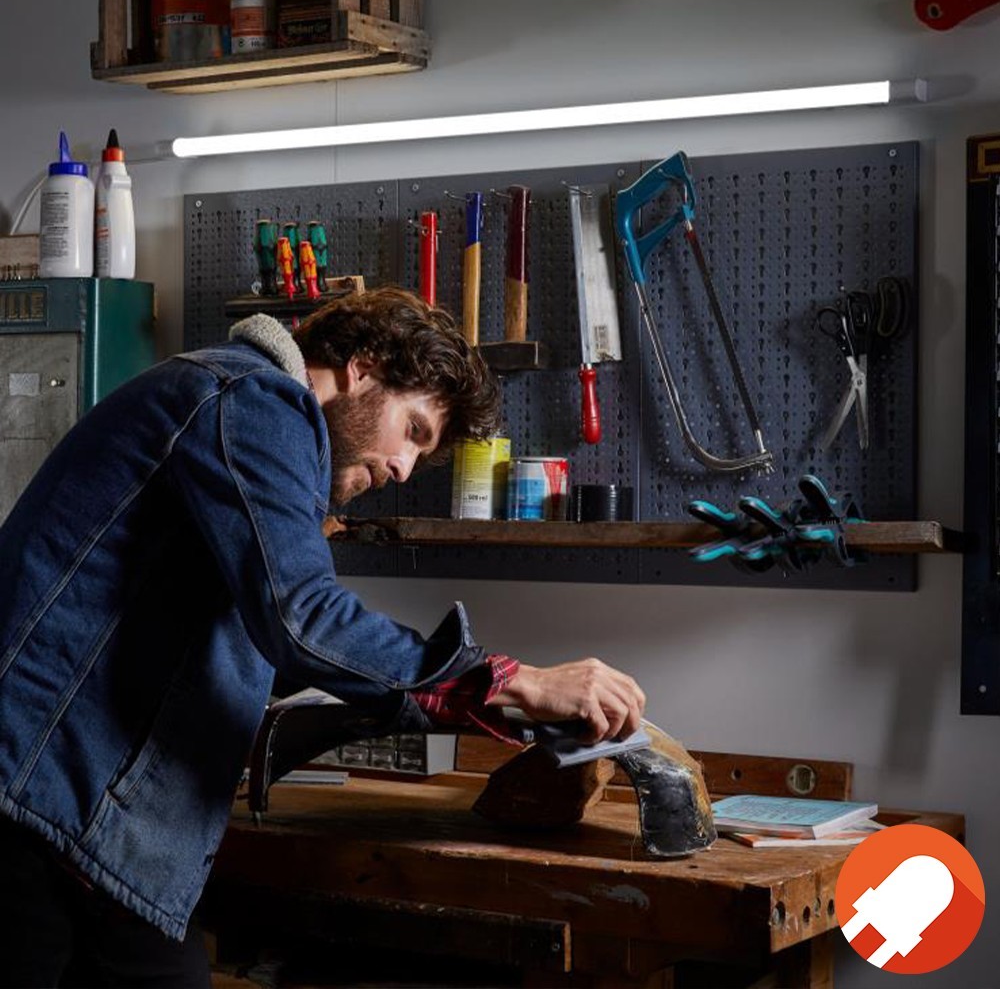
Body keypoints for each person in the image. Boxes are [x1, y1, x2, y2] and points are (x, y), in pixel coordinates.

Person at [0, 286, 645, 987]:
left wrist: (473, 705)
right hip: (34, 802)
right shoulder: (254, 397)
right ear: (363, 367)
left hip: (77, 818)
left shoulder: (238, 411)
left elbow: (264, 644)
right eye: (413, 430)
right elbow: (302, 619)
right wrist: (513, 680)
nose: (402, 469)